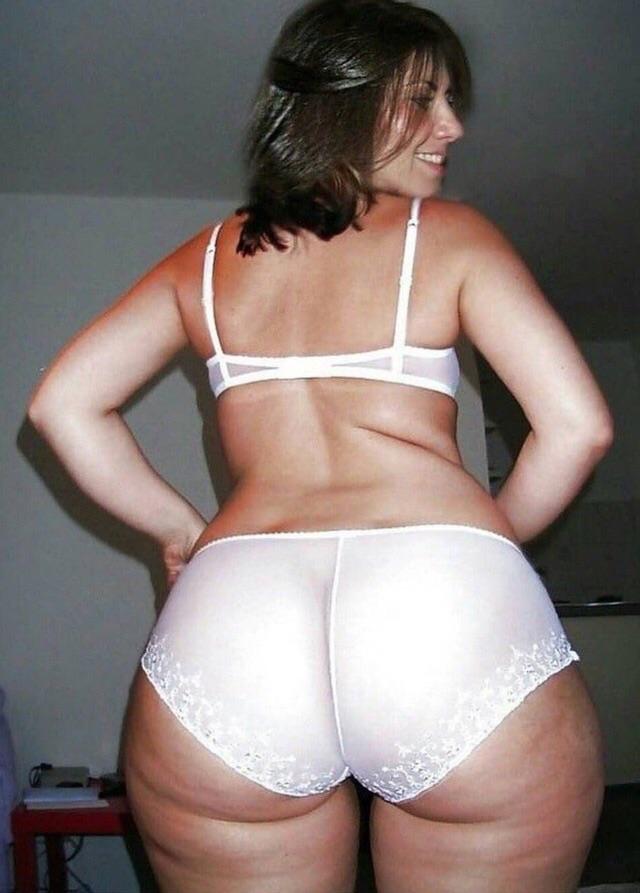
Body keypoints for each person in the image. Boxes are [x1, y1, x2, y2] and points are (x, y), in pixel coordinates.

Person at [27, 0, 614, 891]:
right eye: (423, 98)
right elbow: (578, 426)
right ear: (343, 100)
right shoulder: (451, 236)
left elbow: (63, 404)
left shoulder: (206, 259)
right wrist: (488, 542)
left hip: (235, 615)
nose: (452, 126)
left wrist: (180, 531)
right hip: (442, 605)